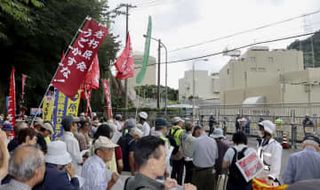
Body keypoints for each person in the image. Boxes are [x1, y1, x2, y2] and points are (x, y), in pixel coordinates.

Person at [124, 136, 196, 190]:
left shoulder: (130, 180)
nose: (165, 163)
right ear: (152, 163)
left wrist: (164, 188)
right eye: (164, 158)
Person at [191, 125, 218, 190]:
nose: (195, 137)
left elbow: (190, 155)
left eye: (195, 135)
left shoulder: (195, 141)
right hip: (211, 171)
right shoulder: (213, 141)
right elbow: (216, 156)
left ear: (197, 131)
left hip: (199, 172)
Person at [257, 120, 282, 186]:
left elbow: (276, 165)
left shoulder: (276, 146)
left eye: (261, 129)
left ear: (267, 130)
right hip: (259, 178)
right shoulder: (260, 143)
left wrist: (271, 178)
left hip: (269, 181)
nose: (259, 131)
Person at [169, 117, 185, 185]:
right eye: (181, 122)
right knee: (180, 171)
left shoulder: (170, 130)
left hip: (172, 151)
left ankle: (172, 184)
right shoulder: (181, 131)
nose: (182, 123)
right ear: (178, 123)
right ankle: (178, 185)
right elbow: (183, 142)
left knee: (174, 170)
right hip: (179, 152)